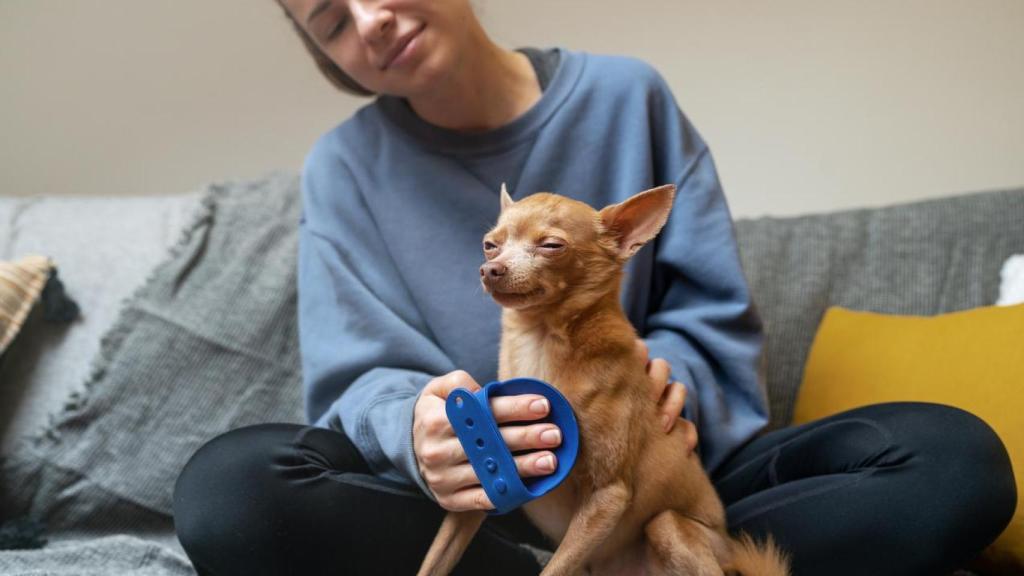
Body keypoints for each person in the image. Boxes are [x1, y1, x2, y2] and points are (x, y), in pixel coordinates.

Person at [171, 1, 1017, 574]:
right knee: (229, 491)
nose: (369, 18)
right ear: (328, 55)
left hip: (656, 483)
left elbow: (707, 312)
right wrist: (417, 430)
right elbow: (356, 379)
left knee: (952, 459)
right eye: (329, 21)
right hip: (482, 507)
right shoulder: (343, 168)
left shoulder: (627, 98)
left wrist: (663, 378)